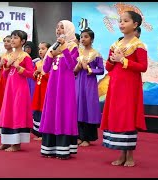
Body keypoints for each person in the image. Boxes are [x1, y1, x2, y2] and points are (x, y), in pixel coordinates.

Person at [100, 11, 148, 167]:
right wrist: (113, 60)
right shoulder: (115, 44)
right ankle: (121, 154)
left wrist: (123, 60)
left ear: (135, 24)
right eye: (120, 21)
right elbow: (108, 66)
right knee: (118, 117)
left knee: (128, 117)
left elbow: (143, 67)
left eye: (125, 21)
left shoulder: (138, 45)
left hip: (130, 88)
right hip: (115, 86)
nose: (121, 24)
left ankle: (130, 156)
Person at [39, 20, 79, 160]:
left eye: (62, 27)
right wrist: (50, 55)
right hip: (53, 85)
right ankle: (49, 148)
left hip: (66, 86)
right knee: (51, 111)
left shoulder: (73, 46)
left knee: (64, 111)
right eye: (57, 27)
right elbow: (45, 69)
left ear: (69, 30)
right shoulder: (53, 47)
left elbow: (72, 66)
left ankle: (63, 149)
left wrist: (64, 49)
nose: (59, 30)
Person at [0, 30, 34, 152]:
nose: (12, 40)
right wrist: (5, 66)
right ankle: (6, 142)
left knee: (17, 113)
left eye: (15, 38)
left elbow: (32, 74)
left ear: (22, 41)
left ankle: (16, 144)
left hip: (20, 89)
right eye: (12, 38)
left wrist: (18, 67)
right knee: (7, 113)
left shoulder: (26, 57)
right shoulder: (9, 56)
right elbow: (6, 76)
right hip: (9, 89)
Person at [74, 29, 104, 147]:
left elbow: (101, 70)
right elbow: (73, 70)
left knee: (88, 108)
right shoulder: (78, 53)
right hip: (78, 82)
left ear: (91, 39)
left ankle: (87, 137)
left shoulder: (96, 54)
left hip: (89, 83)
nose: (82, 39)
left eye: (86, 37)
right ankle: (79, 136)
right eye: (81, 37)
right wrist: (77, 67)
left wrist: (89, 69)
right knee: (78, 107)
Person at [31, 42, 51, 141]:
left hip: (46, 90)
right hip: (38, 90)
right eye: (39, 49)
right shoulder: (38, 62)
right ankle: (38, 132)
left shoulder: (51, 62)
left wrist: (42, 71)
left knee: (44, 110)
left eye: (43, 48)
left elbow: (51, 77)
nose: (40, 51)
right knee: (37, 110)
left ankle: (44, 133)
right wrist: (35, 74)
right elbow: (36, 78)